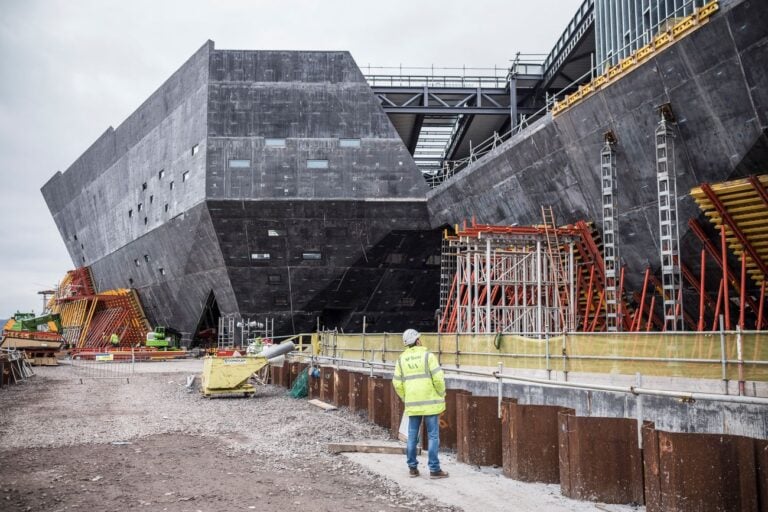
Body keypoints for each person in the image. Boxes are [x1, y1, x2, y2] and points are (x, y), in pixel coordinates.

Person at [392, 328, 449, 479]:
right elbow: (438, 378)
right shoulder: (428, 356)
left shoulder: (401, 360)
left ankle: (412, 468)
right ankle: (434, 470)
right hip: (431, 403)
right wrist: (441, 392)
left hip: (413, 403)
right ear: (417, 340)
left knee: (412, 436)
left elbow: (397, 383)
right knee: (433, 436)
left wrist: (406, 397)